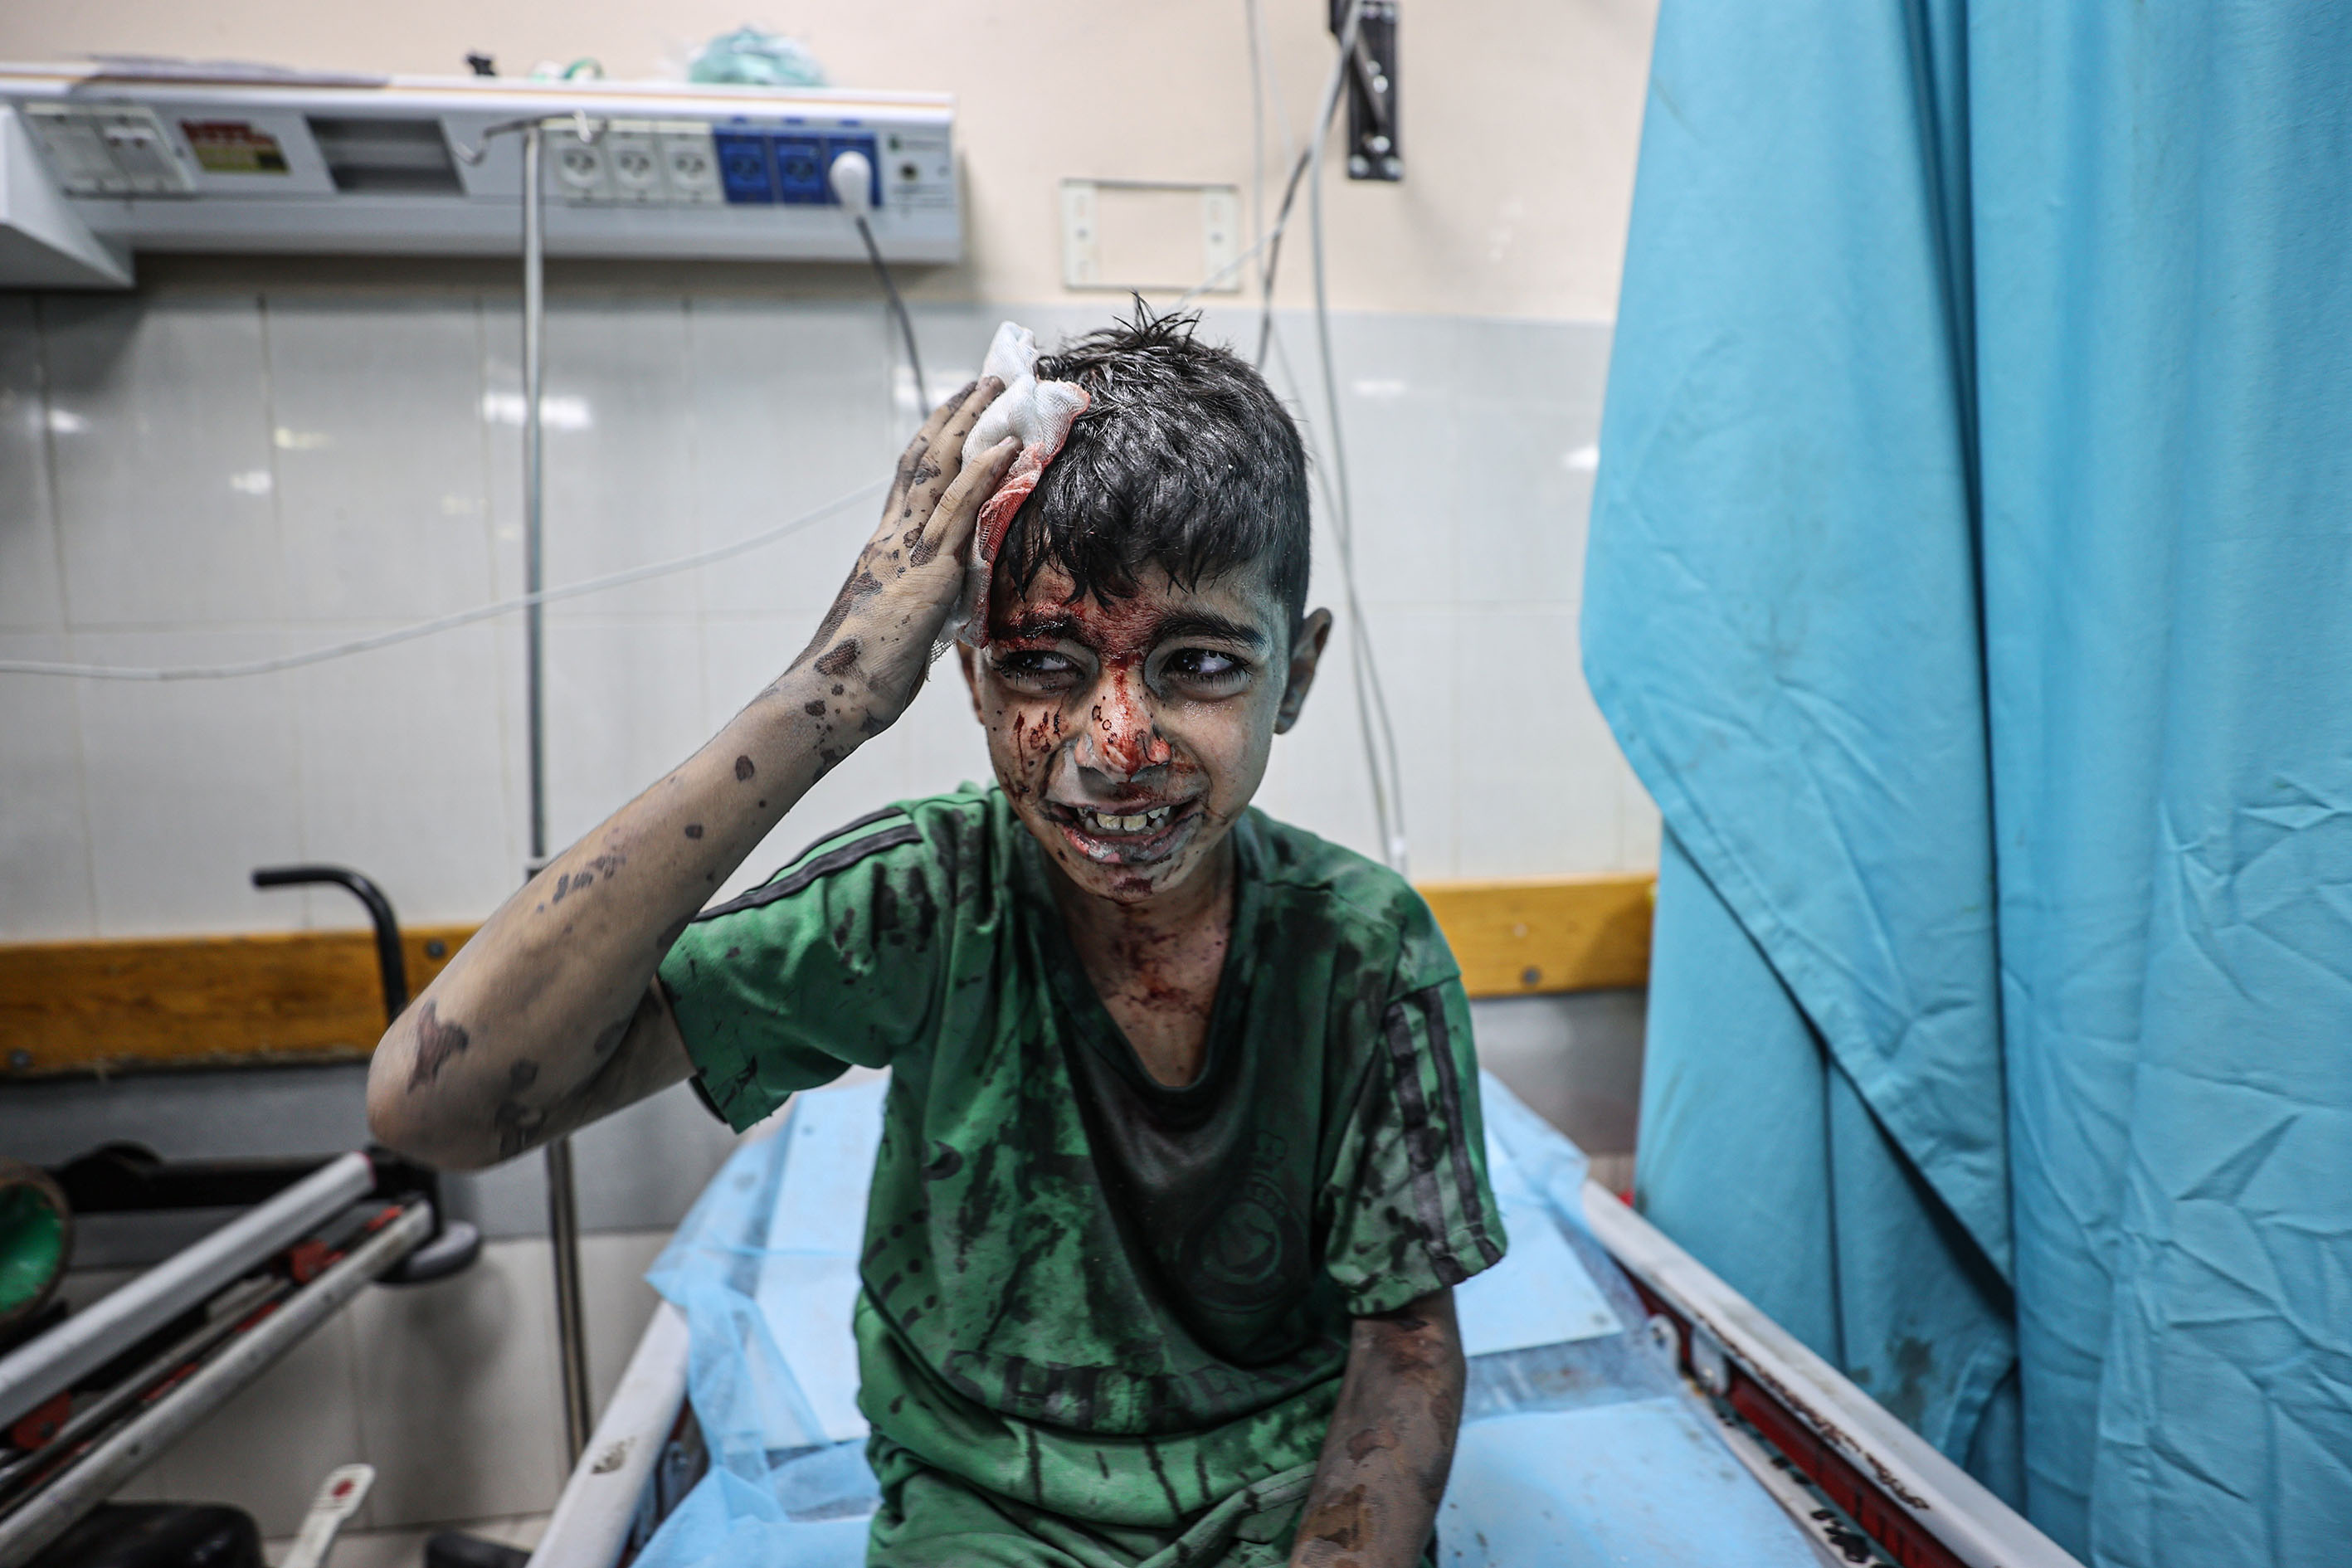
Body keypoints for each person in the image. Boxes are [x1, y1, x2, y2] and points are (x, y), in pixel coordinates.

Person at [368, 310, 1505, 1568]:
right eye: (1042, 664)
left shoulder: (1364, 952)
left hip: (1278, 1495)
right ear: (970, 679)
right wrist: (832, 689)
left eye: (1199, 664)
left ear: (1297, 673)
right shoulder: (923, 903)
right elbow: (438, 1105)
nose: (1118, 746)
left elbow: (1407, 1337)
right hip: (987, 1515)